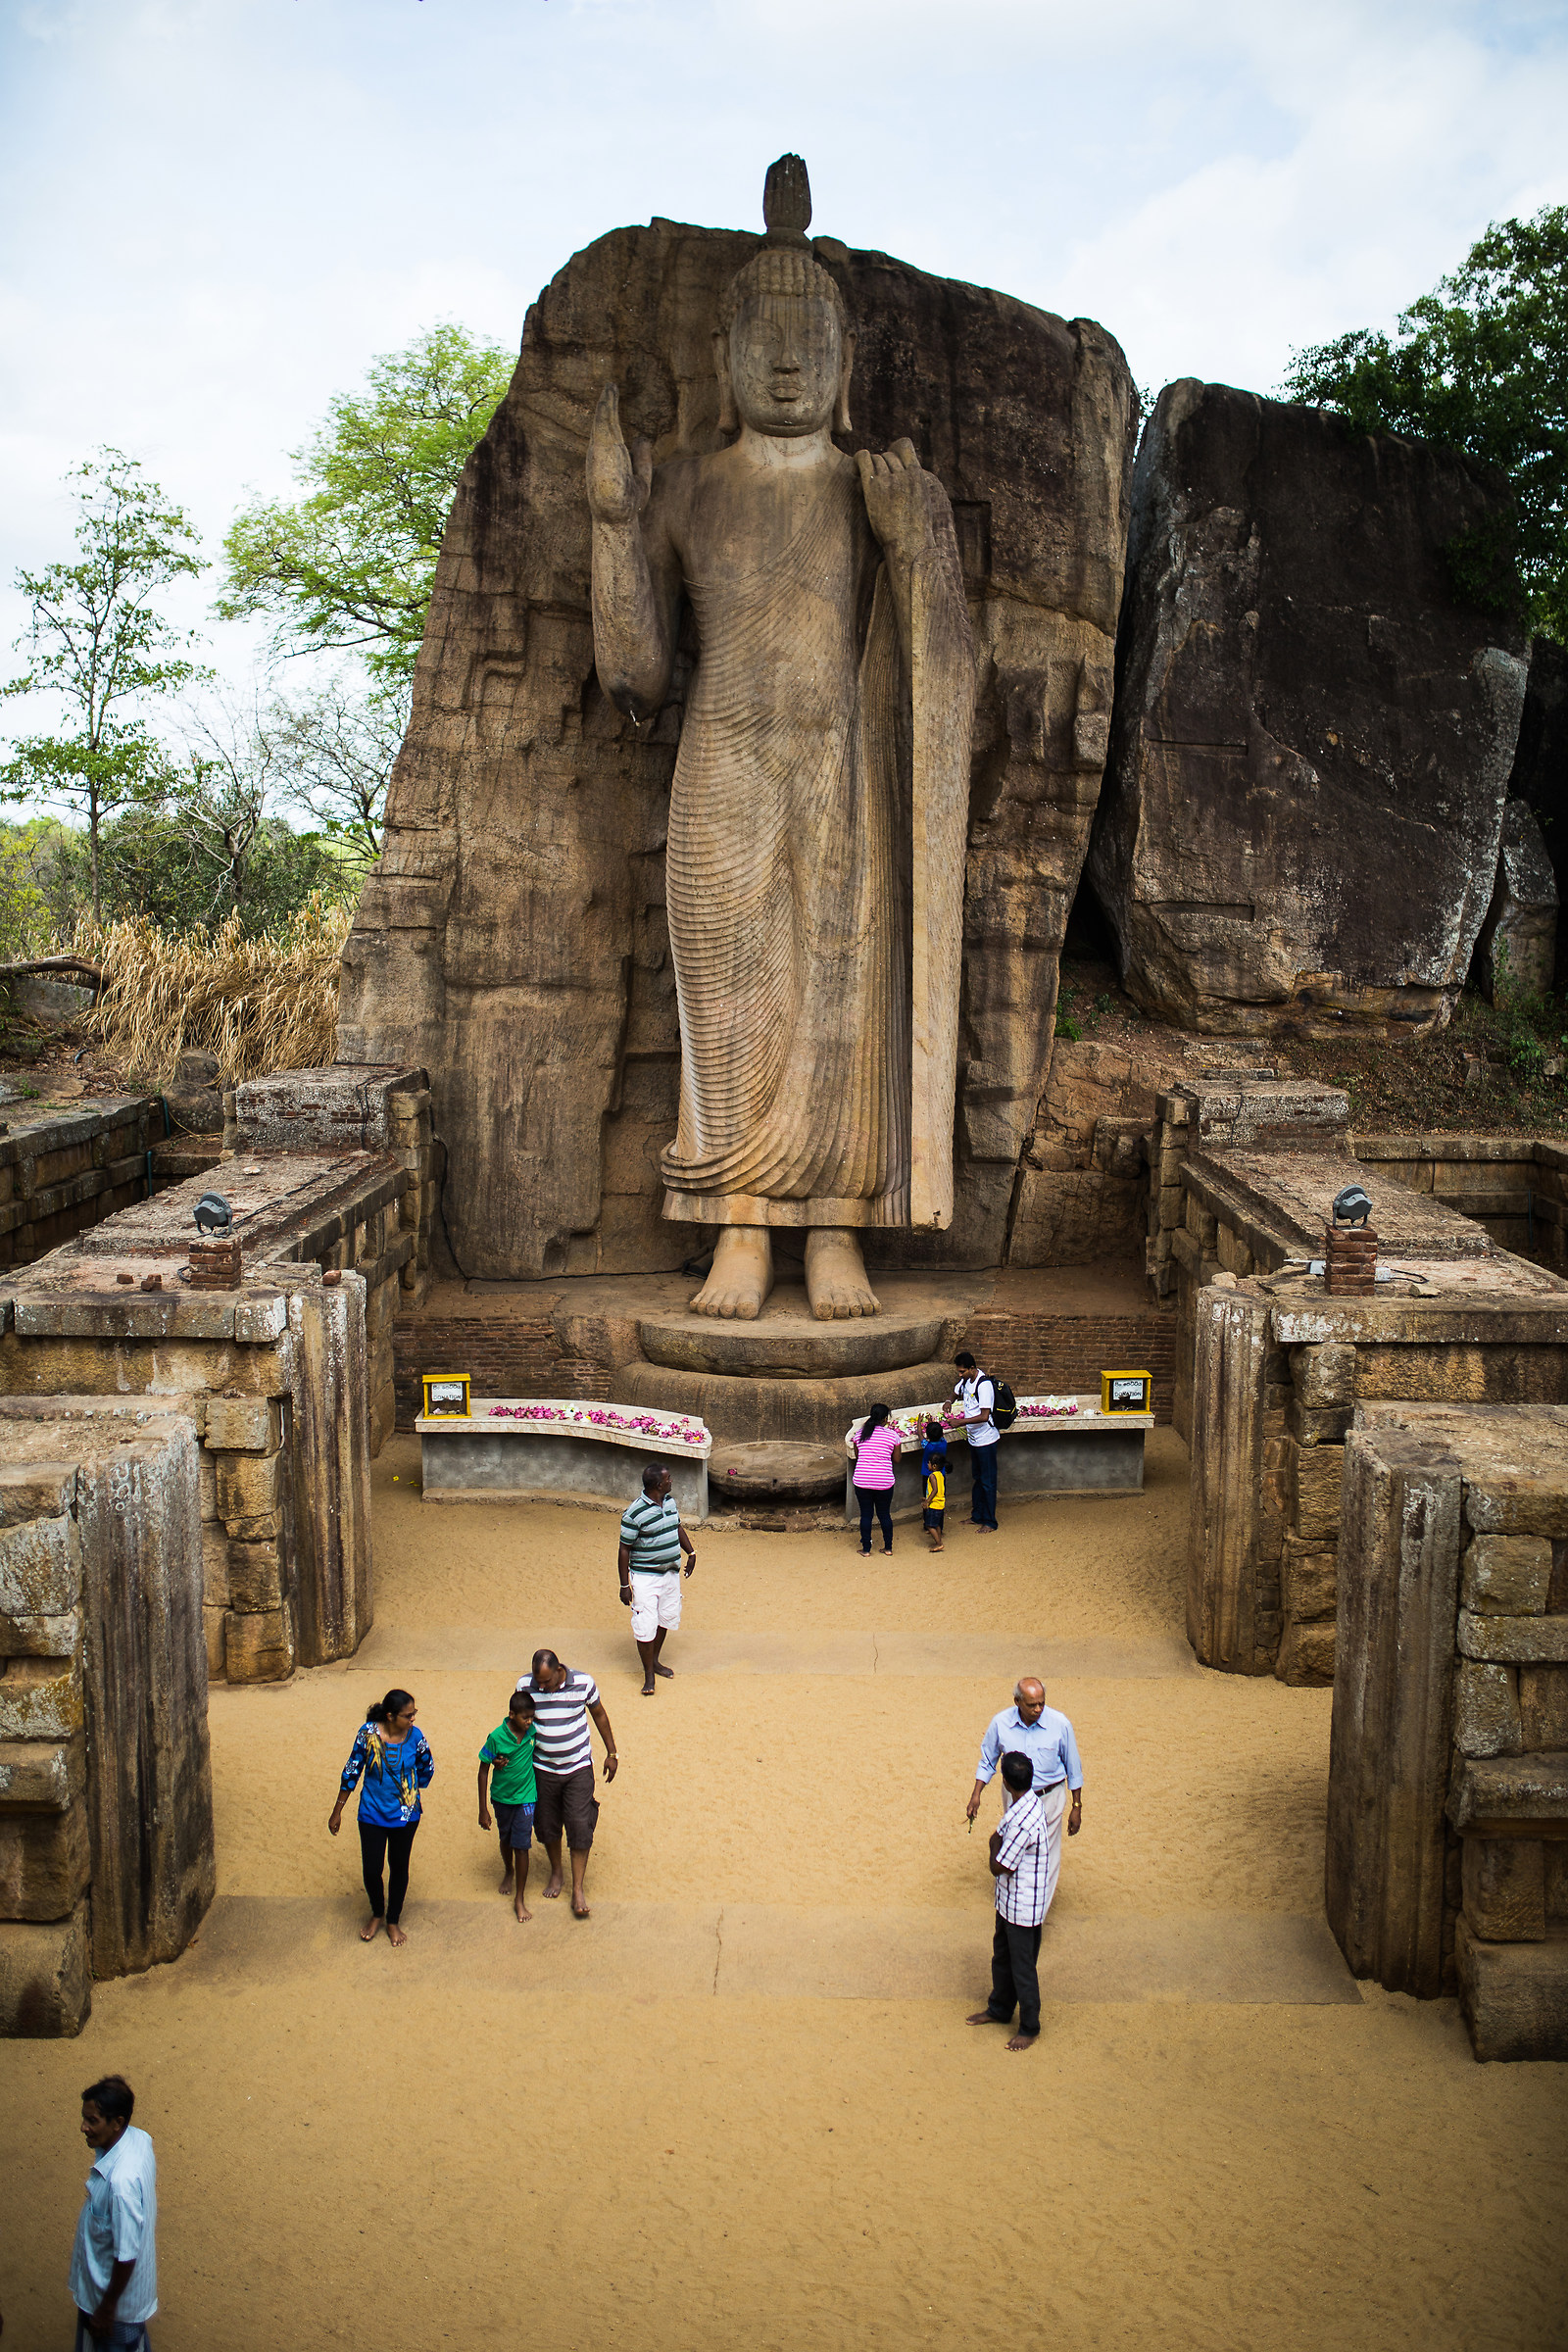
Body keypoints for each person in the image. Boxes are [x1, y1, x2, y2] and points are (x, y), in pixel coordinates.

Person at [964, 1676, 1083, 1923]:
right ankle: (1013, 1906)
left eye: (1041, 1703)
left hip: (1049, 1797)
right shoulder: (1001, 1723)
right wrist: (976, 1794)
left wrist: (1076, 1806)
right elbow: (988, 1760)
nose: (1038, 1709)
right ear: (1017, 1701)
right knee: (1014, 1848)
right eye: (1031, 1705)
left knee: (1046, 1855)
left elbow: (1074, 1768)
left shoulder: (1060, 1724)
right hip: (1014, 1798)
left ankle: (1035, 1916)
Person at [328, 1687, 434, 1948]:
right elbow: (352, 1769)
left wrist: (408, 1793)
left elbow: (426, 1769)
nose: (413, 1720)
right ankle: (377, 1912)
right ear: (390, 1716)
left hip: (406, 1816)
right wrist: (338, 1809)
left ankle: (392, 1919)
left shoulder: (417, 1737)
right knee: (372, 1869)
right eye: (408, 1715)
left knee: (399, 1867)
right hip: (371, 1813)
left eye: (414, 1714)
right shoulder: (367, 1734)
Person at [523, 1649, 619, 1920]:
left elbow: (599, 1715)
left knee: (579, 1823)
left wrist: (612, 1754)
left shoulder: (583, 1683)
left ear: (558, 1670)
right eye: (537, 1681)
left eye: (546, 1682)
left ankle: (577, 1888)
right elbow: (518, 1721)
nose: (541, 1687)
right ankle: (557, 1872)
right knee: (546, 1823)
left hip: (578, 1768)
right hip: (542, 1769)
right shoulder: (524, 1686)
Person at [967, 1752, 1049, 2050]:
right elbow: (998, 1839)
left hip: (1022, 1906)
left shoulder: (1022, 1822)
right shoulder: (1026, 1804)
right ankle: (1000, 2008)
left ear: (1005, 1782)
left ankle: (1029, 2027)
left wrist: (992, 1847)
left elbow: (1000, 1865)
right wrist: (995, 1843)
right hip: (1009, 1902)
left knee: (1022, 1967)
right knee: (1001, 1956)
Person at [69, 2074, 157, 2348]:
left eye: (92, 2121)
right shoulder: (138, 2139)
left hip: (113, 2309)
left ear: (117, 2122)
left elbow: (126, 2255)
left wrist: (106, 2310)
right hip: (121, 2300)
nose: (83, 2127)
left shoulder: (120, 2185)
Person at [617, 1461, 697, 1695]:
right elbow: (624, 1549)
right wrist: (625, 1585)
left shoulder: (670, 1502)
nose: (672, 1481)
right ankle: (648, 1676)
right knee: (645, 1624)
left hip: (670, 1573)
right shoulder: (634, 1513)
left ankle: (655, 1661)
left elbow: (677, 1527)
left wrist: (691, 1553)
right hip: (645, 1577)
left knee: (666, 1617)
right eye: (669, 1479)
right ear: (659, 1485)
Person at [478, 1688, 538, 1921]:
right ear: (511, 1714)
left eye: (532, 1717)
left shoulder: (533, 1732)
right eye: (526, 1718)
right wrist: (483, 1809)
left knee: (522, 1844)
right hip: (502, 1798)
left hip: (526, 1797)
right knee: (505, 1838)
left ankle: (520, 1898)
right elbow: (483, 1770)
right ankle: (508, 1870)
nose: (530, 1722)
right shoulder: (495, 1737)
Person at [953, 1350, 1000, 1531]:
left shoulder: (984, 1385)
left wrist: (960, 1422)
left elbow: (984, 1415)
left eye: (962, 1371)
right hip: (974, 1440)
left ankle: (990, 1522)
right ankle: (977, 1515)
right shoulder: (966, 1380)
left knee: (988, 1481)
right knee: (978, 1479)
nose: (960, 1375)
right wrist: (950, 1401)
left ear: (972, 1368)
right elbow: (955, 1392)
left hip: (986, 1440)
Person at [849, 1401, 901, 1554]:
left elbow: (858, 1456)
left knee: (866, 1515)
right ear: (885, 1419)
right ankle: (888, 1548)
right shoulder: (893, 1435)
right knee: (884, 1514)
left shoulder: (859, 1434)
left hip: (862, 1480)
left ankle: (866, 1549)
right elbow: (897, 1459)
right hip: (884, 1482)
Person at [921, 1418, 948, 1552]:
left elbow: (934, 1490)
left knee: (930, 1522)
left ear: (933, 1465)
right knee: (938, 1519)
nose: (928, 1464)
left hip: (933, 1502)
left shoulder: (928, 1447)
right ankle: (939, 1532)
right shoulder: (944, 1444)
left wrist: (927, 1500)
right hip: (941, 1501)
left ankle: (934, 1536)